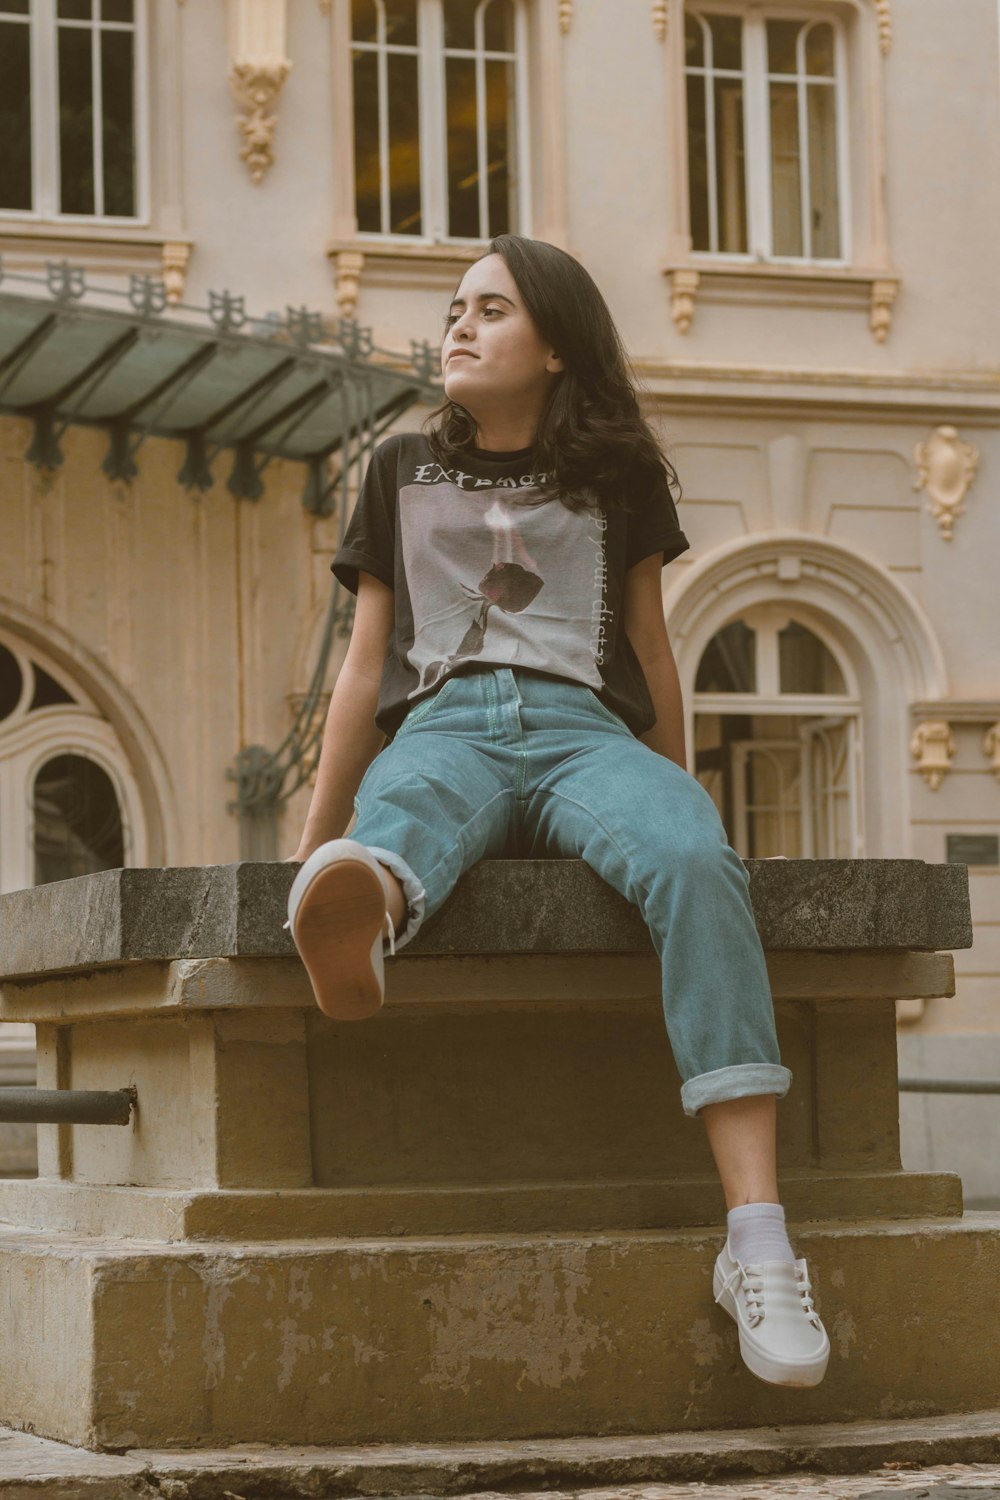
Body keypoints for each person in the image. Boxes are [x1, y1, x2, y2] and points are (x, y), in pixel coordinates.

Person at [285, 234, 830, 1390]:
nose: (460, 325)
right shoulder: (396, 471)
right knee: (401, 822)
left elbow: (649, 646)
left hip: (586, 736)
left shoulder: (616, 477)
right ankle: (359, 898)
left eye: (492, 307)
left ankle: (757, 1242)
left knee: (692, 863)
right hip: (445, 727)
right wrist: (311, 834)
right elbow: (362, 663)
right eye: (455, 307)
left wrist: (676, 789)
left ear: (554, 346)